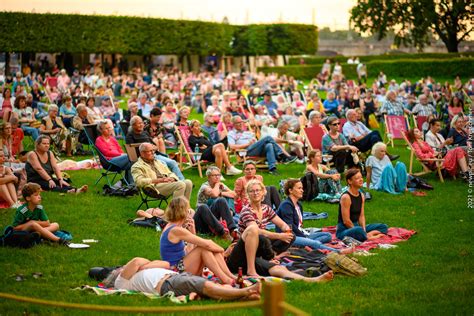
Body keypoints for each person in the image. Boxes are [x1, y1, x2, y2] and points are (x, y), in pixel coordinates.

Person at [103, 257, 261, 300]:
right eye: (120, 268)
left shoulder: (135, 274)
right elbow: (137, 261)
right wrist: (145, 265)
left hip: (175, 277)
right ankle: (247, 291)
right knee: (205, 285)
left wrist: (145, 266)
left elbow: (165, 263)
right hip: (167, 284)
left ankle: (243, 297)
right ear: (116, 273)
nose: (123, 267)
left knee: (206, 287)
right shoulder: (121, 281)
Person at [160, 197, 237, 285]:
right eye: (188, 211)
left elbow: (188, 252)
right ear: (183, 212)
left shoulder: (173, 227)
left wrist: (193, 232)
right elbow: (207, 244)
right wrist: (222, 250)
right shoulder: (175, 230)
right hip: (177, 271)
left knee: (206, 249)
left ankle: (229, 276)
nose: (189, 214)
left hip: (181, 266)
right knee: (204, 248)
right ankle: (226, 279)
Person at [277, 179, 353, 253]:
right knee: (315, 243)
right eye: (299, 188)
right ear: (290, 190)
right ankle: (338, 251)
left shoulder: (299, 204)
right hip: (289, 237)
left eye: (302, 188)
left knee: (328, 235)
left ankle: (307, 244)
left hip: (300, 234)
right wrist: (303, 237)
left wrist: (304, 236)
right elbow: (290, 226)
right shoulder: (286, 205)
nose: (302, 190)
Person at [236, 180, 294, 276]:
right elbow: (256, 231)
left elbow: (282, 224)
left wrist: (286, 230)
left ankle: (272, 256)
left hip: (261, 243)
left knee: (291, 236)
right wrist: (279, 236)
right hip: (247, 245)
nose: (255, 193)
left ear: (263, 192)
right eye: (252, 191)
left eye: (258, 190)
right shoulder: (246, 210)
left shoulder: (266, 208)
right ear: (248, 194)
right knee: (263, 239)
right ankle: (269, 258)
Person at [228, 116, 296, 175]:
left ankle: (272, 169)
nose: (241, 124)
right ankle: (282, 156)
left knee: (269, 145)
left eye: (241, 122)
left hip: (255, 148)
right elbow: (232, 146)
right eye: (238, 122)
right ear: (233, 124)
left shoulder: (247, 132)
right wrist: (247, 144)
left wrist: (255, 141)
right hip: (246, 151)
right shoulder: (231, 133)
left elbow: (256, 141)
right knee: (268, 137)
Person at [336, 169, 388, 242]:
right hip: (344, 230)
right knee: (358, 230)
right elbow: (346, 221)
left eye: (361, 177)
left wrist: (363, 230)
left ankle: (367, 235)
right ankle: (368, 237)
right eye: (357, 178)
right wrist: (361, 231)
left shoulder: (362, 195)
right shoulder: (346, 197)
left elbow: (361, 216)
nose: (361, 180)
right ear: (349, 181)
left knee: (383, 226)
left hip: (357, 226)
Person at [126, 116, 184, 180]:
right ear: (133, 125)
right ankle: (168, 183)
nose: (141, 125)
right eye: (139, 123)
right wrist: (147, 147)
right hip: (144, 158)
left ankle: (182, 181)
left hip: (154, 155)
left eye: (142, 123)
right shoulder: (130, 136)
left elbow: (154, 146)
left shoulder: (145, 133)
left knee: (173, 162)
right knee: (163, 163)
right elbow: (131, 151)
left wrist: (153, 147)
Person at [194, 167, 239, 240]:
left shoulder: (221, 185)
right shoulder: (204, 186)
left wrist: (221, 193)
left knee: (221, 200)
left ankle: (232, 230)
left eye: (219, 175)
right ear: (208, 177)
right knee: (203, 207)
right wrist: (217, 185)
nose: (217, 177)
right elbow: (214, 194)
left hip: (214, 220)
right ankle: (222, 233)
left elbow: (234, 195)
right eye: (215, 175)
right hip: (202, 220)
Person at [95, 120, 133, 185]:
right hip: (108, 162)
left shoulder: (113, 139)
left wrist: (121, 154)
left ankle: (130, 183)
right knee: (130, 157)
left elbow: (119, 149)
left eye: (109, 127)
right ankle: (130, 182)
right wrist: (120, 154)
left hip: (119, 159)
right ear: (101, 131)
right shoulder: (99, 140)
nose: (109, 130)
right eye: (106, 128)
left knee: (132, 160)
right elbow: (106, 152)